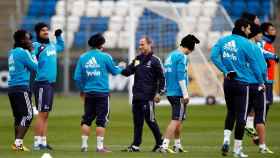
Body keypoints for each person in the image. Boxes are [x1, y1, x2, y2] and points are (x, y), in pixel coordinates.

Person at [210, 19, 264, 158]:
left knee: (230, 112)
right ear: (243, 28)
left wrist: (225, 71)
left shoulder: (223, 40)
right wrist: (261, 81)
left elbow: (213, 57)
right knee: (241, 117)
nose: (250, 31)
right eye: (248, 28)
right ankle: (237, 149)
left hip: (228, 83)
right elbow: (254, 66)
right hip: (242, 84)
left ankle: (226, 140)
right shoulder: (247, 44)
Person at [74, 33, 123, 153]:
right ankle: (100, 147)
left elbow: (77, 77)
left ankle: (84, 146)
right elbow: (115, 71)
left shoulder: (82, 57)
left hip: (89, 93)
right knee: (101, 120)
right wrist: (122, 66)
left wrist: (82, 90)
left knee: (87, 119)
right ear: (101, 44)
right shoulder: (105, 57)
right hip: (102, 93)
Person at [121, 36, 165, 152]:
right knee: (137, 122)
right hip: (137, 96)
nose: (140, 46)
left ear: (150, 44)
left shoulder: (155, 60)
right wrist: (120, 68)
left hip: (148, 97)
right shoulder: (138, 59)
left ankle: (160, 144)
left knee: (150, 120)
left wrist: (159, 93)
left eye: (142, 44)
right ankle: (136, 145)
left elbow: (162, 78)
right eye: (139, 44)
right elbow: (128, 72)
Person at [159, 34, 199, 153]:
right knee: (176, 119)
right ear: (189, 48)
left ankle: (177, 145)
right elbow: (181, 76)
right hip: (178, 93)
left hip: (170, 92)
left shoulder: (170, 56)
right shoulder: (182, 57)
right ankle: (164, 145)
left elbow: (165, 75)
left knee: (179, 119)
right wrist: (185, 94)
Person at [32, 22, 64, 150]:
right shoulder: (35, 46)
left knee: (46, 114)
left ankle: (43, 142)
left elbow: (61, 46)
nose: (46, 32)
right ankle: (36, 143)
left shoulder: (51, 45)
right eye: (42, 30)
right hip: (41, 83)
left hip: (50, 84)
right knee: (41, 114)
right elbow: (28, 57)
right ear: (38, 33)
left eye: (47, 30)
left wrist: (59, 36)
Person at [8, 30, 38, 151]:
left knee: (18, 117)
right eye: (27, 38)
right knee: (28, 115)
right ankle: (18, 143)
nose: (30, 41)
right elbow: (35, 67)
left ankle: (18, 144)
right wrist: (32, 52)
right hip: (21, 87)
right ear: (22, 40)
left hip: (12, 88)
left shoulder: (12, 52)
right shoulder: (23, 52)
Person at [246, 23, 274, 154]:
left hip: (245, 84)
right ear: (255, 34)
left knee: (244, 112)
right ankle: (262, 146)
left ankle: (238, 146)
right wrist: (263, 81)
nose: (261, 36)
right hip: (258, 84)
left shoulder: (243, 46)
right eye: (260, 34)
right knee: (261, 117)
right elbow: (262, 67)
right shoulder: (257, 48)